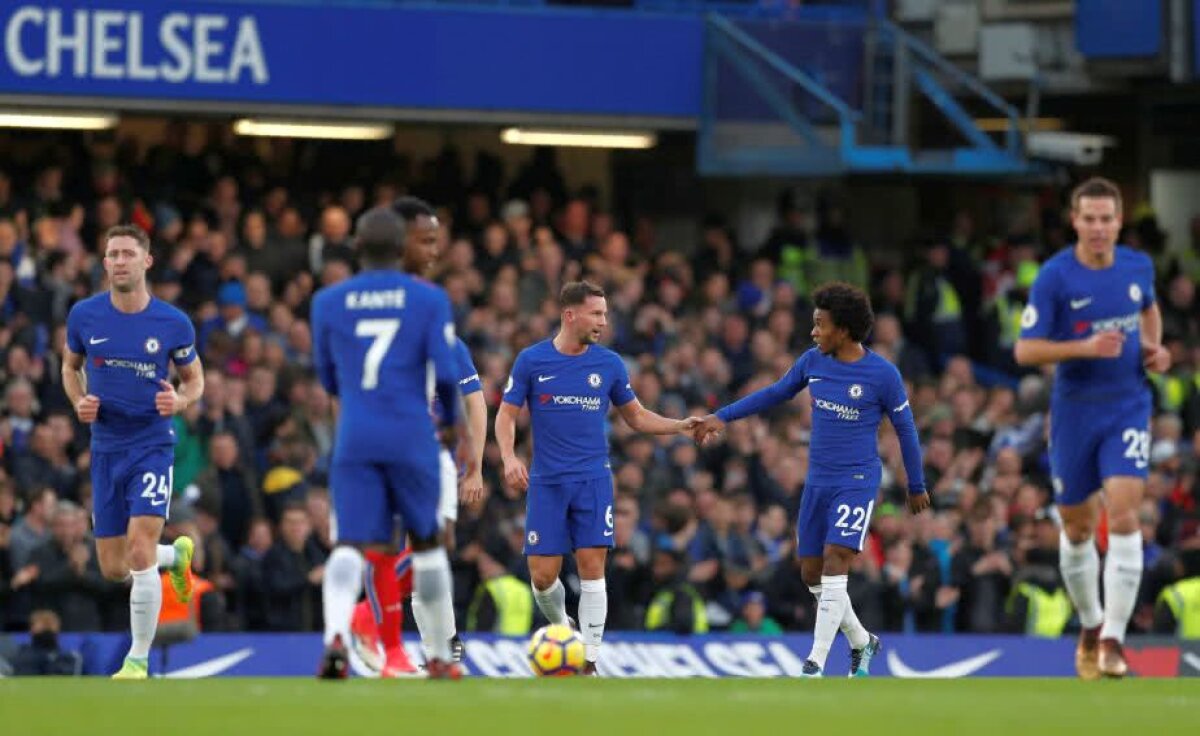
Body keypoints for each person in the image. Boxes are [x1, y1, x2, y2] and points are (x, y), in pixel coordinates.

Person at [693, 282, 927, 677]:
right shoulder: (812, 362)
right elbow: (774, 393)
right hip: (817, 481)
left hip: (857, 479)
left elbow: (906, 429)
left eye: (820, 324)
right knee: (811, 572)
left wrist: (916, 483)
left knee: (838, 559)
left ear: (844, 328)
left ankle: (815, 662)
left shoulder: (882, 374)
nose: (813, 331)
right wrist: (724, 416)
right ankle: (861, 641)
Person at [495, 280, 698, 676]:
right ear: (570, 315)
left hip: (593, 479)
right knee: (542, 576)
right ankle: (562, 629)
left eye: (605, 314)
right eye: (596, 313)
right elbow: (505, 415)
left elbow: (636, 416)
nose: (603, 322)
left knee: (592, 567)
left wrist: (680, 427)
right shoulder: (531, 361)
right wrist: (507, 458)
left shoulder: (608, 364)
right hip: (547, 482)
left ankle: (588, 661)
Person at [1014, 176, 1170, 679]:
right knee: (1078, 528)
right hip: (1075, 411)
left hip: (1126, 405)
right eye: (1090, 219)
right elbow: (1026, 349)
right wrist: (1083, 347)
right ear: (1075, 221)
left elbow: (1148, 308)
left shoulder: (1137, 265)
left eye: (1107, 219)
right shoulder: (1055, 276)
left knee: (1125, 518)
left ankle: (1114, 642)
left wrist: (1152, 348)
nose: (1099, 228)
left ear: (1119, 221)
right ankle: (1089, 623)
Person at [310, 206, 474, 680]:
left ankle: (335, 637)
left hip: (356, 435)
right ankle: (442, 656)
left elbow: (328, 377)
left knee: (351, 545)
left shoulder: (328, 302)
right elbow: (445, 375)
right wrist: (453, 427)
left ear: (357, 248)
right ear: (401, 247)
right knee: (426, 543)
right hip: (411, 434)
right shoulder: (428, 300)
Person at [61, 224, 203, 680]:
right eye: (112, 254)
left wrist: (180, 401)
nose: (119, 261)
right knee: (114, 567)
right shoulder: (84, 316)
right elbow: (70, 367)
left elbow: (195, 379)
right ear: (104, 263)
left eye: (127, 253)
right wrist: (78, 400)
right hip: (105, 449)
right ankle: (174, 557)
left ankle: (137, 660)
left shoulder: (173, 323)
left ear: (147, 261)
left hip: (151, 445)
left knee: (140, 548)